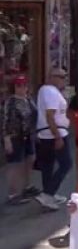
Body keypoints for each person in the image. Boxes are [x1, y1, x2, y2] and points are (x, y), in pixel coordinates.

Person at [35, 68, 72, 211]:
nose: (64, 79)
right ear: (51, 77)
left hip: (47, 133)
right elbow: (50, 115)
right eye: (61, 77)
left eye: (65, 76)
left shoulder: (48, 91)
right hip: (55, 132)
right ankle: (47, 194)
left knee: (48, 165)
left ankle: (49, 193)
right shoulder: (50, 91)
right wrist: (57, 136)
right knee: (66, 164)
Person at [3, 75, 38, 205]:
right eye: (19, 85)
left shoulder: (28, 99)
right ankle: (13, 194)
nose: (22, 88)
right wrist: (6, 139)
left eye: (24, 85)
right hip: (15, 136)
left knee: (30, 159)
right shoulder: (11, 102)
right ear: (14, 87)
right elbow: (5, 121)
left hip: (28, 135)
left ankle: (26, 186)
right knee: (15, 165)